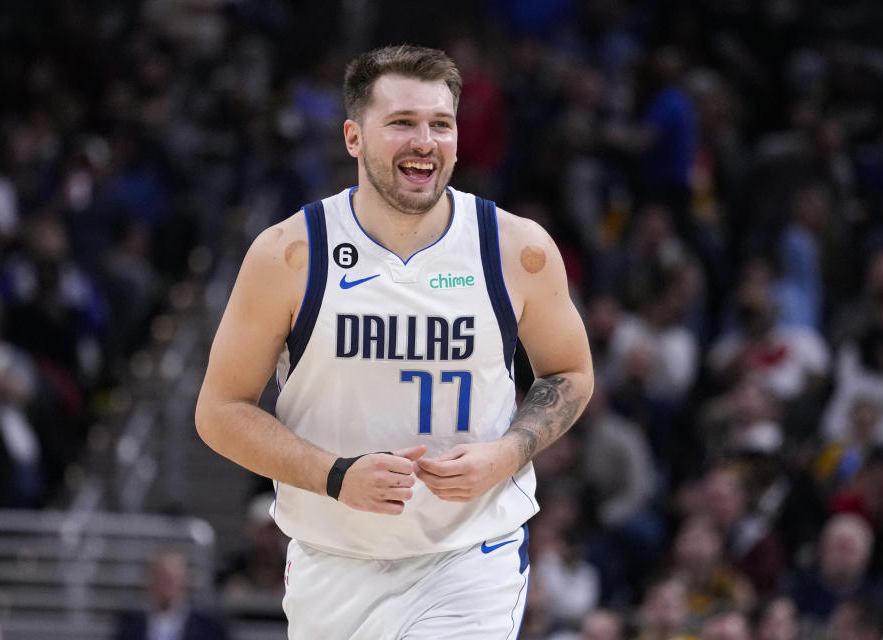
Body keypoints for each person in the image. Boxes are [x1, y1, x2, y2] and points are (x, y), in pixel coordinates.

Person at [195, 44, 594, 640]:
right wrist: (335, 475)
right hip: (332, 560)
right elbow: (219, 412)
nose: (425, 142)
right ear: (354, 138)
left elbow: (570, 374)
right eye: (402, 123)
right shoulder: (289, 254)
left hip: (470, 557)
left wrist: (506, 455)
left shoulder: (516, 249)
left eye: (441, 124)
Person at [113, 551, 228, 640]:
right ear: (149, 582)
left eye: (171, 580)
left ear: (185, 582)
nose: (165, 586)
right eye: (159, 579)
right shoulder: (130, 625)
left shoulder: (209, 627)